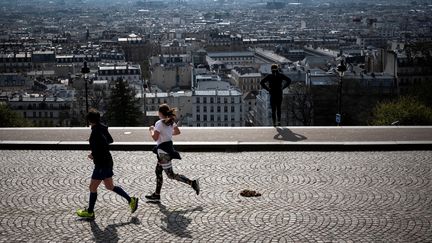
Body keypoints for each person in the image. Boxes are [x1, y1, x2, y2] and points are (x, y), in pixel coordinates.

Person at [76, 109, 138, 219]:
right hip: (108, 161)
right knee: (110, 186)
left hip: (101, 164)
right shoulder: (103, 128)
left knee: (92, 187)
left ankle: (90, 212)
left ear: (90, 121)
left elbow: (100, 148)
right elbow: (110, 140)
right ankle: (131, 200)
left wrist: (93, 155)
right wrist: (99, 145)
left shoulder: (95, 133)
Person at [145, 104, 200, 202]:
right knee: (158, 171)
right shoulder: (170, 121)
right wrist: (168, 134)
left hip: (163, 152)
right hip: (167, 149)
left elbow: (155, 138)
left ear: (160, 113)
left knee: (170, 175)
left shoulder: (159, 123)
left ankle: (192, 183)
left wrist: (151, 130)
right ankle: (157, 195)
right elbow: (178, 132)